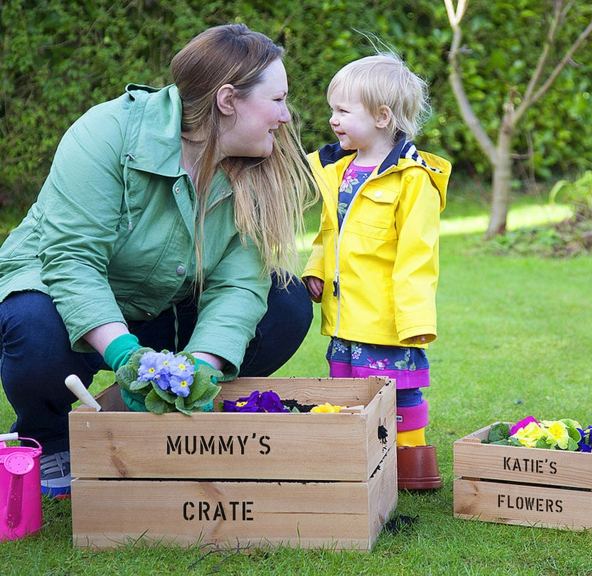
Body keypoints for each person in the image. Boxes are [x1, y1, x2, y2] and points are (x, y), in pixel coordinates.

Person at [0, 24, 316, 498]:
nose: (286, 117)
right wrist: (126, 356)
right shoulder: (106, 132)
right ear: (227, 100)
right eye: (277, 100)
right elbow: (72, 260)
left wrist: (202, 366)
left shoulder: (256, 164)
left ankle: (183, 415)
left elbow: (238, 285)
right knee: (33, 324)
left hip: (168, 302)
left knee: (286, 303)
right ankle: (51, 437)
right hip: (66, 293)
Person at [302, 53, 451, 490]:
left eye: (344, 111)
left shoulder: (412, 179)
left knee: (399, 389)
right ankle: (359, 458)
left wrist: (415, 319)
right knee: (348, 392)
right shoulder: (340, 170)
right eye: (333, 109)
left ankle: (411, 461)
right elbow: (330, 231)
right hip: (347, 314)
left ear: (383, 117)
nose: (333, 120)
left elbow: (418, 255)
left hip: (387, 318)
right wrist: (316, 268)